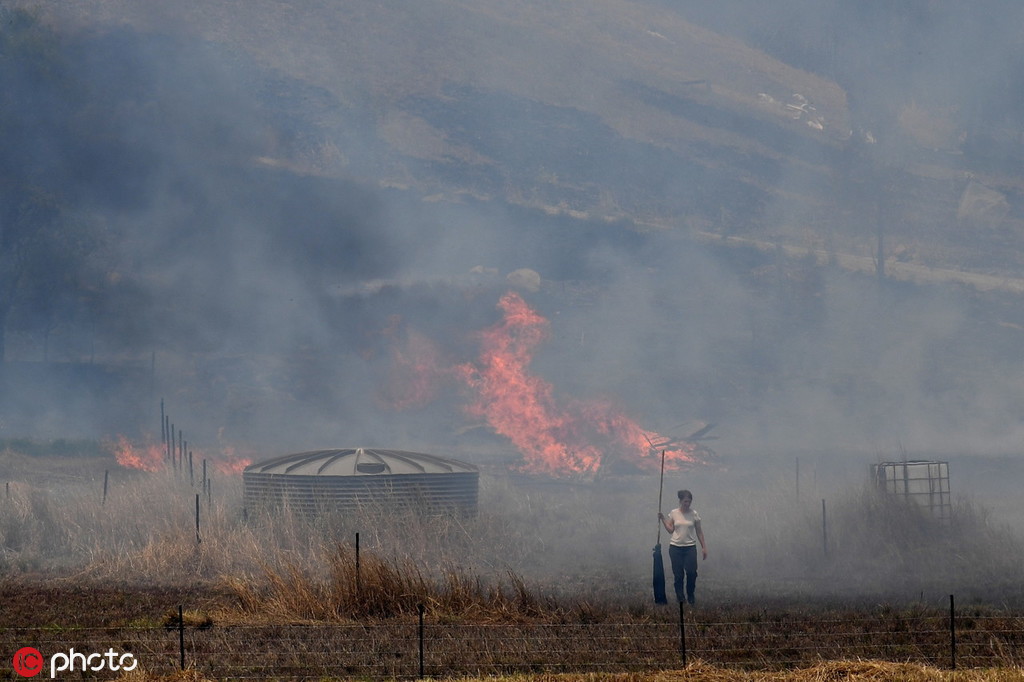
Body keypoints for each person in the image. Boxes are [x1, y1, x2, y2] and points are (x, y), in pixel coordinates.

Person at [658, 489, 707, 605]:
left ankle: (691, 595)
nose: (687, 504)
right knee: (678, 574)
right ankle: (680, 597)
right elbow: (670, 530)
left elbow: (699, 531)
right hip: (675, 547)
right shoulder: (674, 513)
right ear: (680, 501)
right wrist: (663, 519)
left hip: (690, 547)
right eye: (685, 501)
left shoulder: (694, 514)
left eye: (689, 502)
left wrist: (704, 547)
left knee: (691, 573)